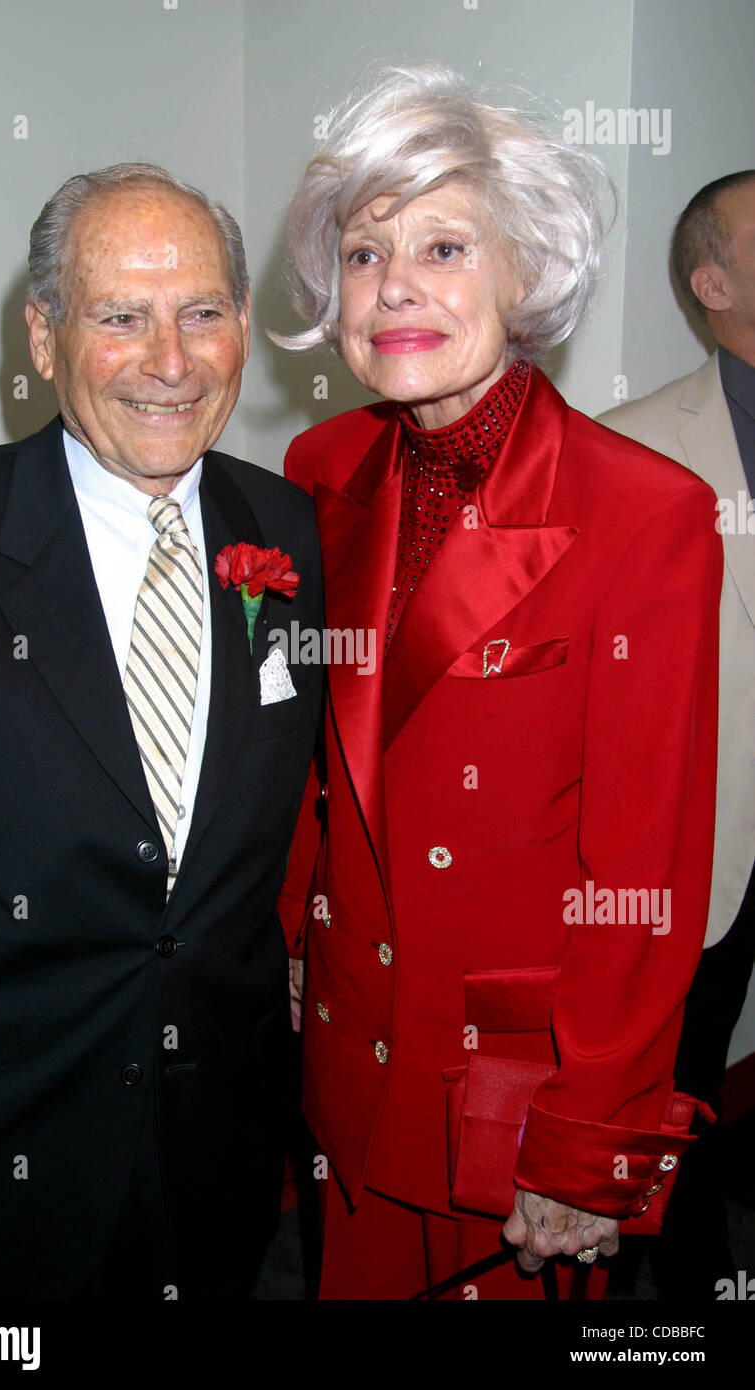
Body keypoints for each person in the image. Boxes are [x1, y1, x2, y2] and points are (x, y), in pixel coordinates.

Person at [273, 64, 722, 1301]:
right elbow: (319, 754)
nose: (394, 285)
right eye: (364, 254)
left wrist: (590, 1152)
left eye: (444, 245)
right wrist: (293, 936)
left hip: (514, 1105)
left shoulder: (646, 514)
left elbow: (645, 870)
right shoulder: (320, 466)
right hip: (350, 1053)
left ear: (525, 273)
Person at [0, 163, 323, 1300]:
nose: (169, 361)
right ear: (43, 336)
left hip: (220, 1131)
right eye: (119, 317)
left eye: (203, 313)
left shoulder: (285, 529)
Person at [598, 170, 755, 1300]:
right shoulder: (632, 452)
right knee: (678, 1086)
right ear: (712, 283)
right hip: (716, 844)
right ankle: (686, 1287)